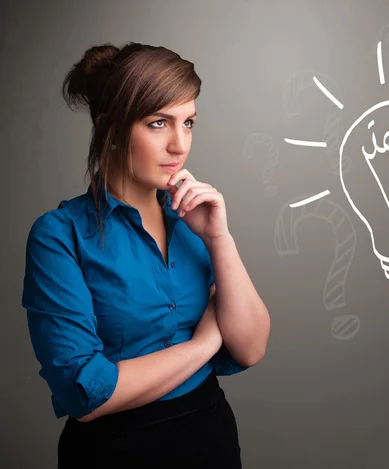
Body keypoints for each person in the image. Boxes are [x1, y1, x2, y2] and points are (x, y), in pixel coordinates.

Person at [21, 41, 270, 468]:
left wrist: (220, 239)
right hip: (113, 451)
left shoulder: (195, 222)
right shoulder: (59, 236)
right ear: (111, 129)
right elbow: (86, 391)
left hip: (210, 439)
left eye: (188, 122)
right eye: (159, 123)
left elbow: (250, 348)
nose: (180, 145)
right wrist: (205, 344)